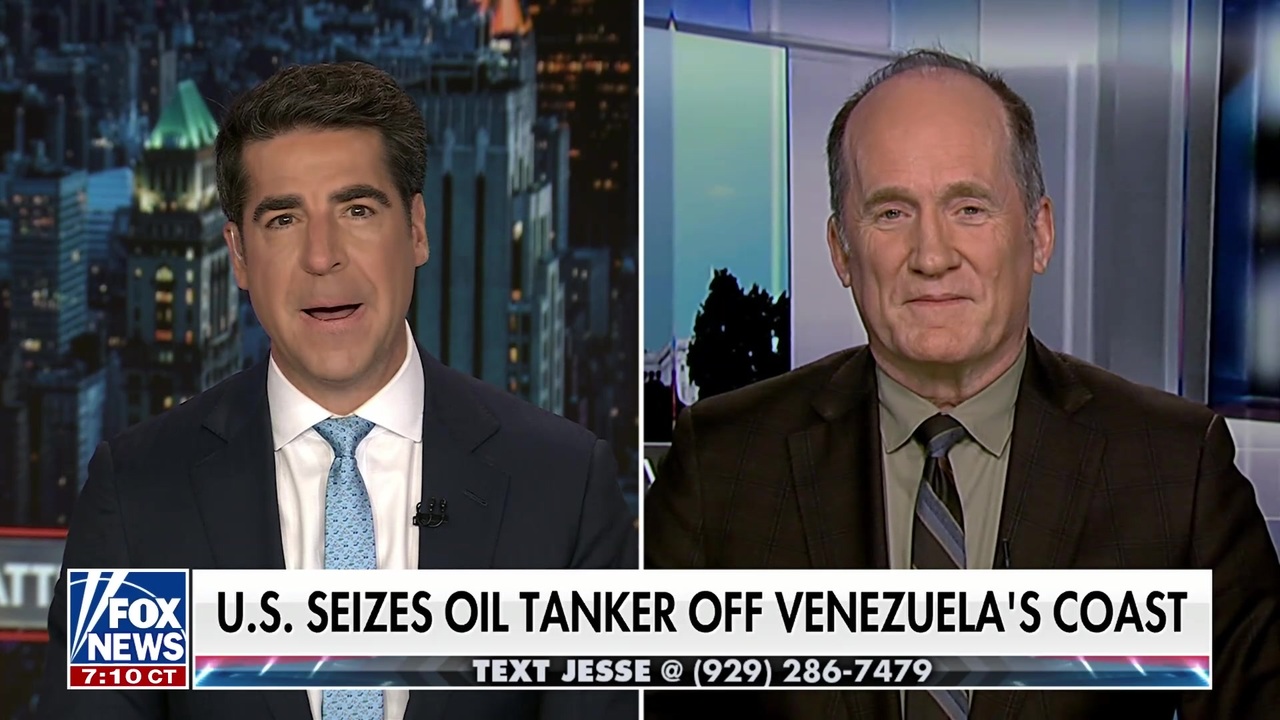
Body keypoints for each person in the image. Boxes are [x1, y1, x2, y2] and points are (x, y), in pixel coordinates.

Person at [644, 48, 1280, 719]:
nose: (932, 255)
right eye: (891, 213)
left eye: (970, 208)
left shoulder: (1174, 470)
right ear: (840, 250)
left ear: (1039, 234)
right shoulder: (725, 464)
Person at [40, 62, 638, 720]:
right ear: (238, 254)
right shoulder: (136, 495)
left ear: (416, 230)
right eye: (283, 220)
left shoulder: (564, 486)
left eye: (357, 210)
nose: (322, 256)